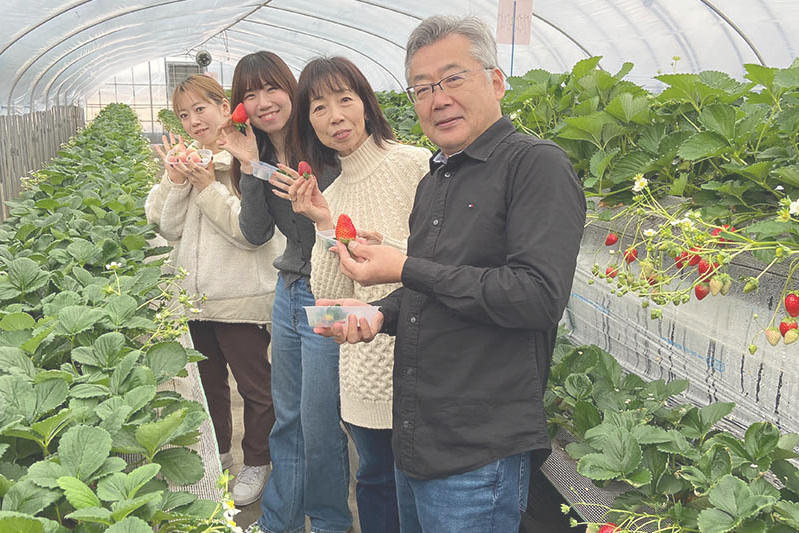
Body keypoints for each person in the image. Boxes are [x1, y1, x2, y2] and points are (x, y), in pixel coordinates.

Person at [314, 15, 587, 532]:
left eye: (453, 79)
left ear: (496, 81)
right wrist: (378, 314)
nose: (437, 99)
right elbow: (432, 288)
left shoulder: (536, 165)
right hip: (418, 434)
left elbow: (537, 297)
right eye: (421, 88)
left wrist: (405, 266)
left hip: (478, 451)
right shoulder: (436, 177)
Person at [269, 56, 430, 533]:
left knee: (419, 485)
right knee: (374, 477)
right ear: (309, 123)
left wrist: (390, 250)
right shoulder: (332, 193)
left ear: (366, 104)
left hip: (419, 359)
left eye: (345, 99)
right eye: (319, 107)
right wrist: (322, 222)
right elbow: (331, 296)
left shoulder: (415, 164)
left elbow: (445, 263)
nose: (335, 116)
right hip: (363, 366)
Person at [216, 52, 351, 533]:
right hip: (290, 291)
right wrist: (249, 165)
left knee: (320, 420)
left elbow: (333, 227)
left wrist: (256, 168)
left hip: (328, 294)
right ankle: (280, 523)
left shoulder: (324, 149)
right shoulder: (260, 159)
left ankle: (331, 522)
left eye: (271, 88)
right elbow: (255, 233)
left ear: (291, 90)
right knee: (288, 417)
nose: (263, 102)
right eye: (250, 94)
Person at [144, 74, 283, 507]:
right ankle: (219, 454)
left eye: (200, 109)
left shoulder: (248, 158)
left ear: (225, 107)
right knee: (208, 387)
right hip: (193, 299)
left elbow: (249, 233)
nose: (193, 121)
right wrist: (176, 181)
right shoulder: (191, 161)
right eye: (184, 115)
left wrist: (207, 186)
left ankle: (257, 460)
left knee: (255, 386)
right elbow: (165, 227)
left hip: (239, 297)